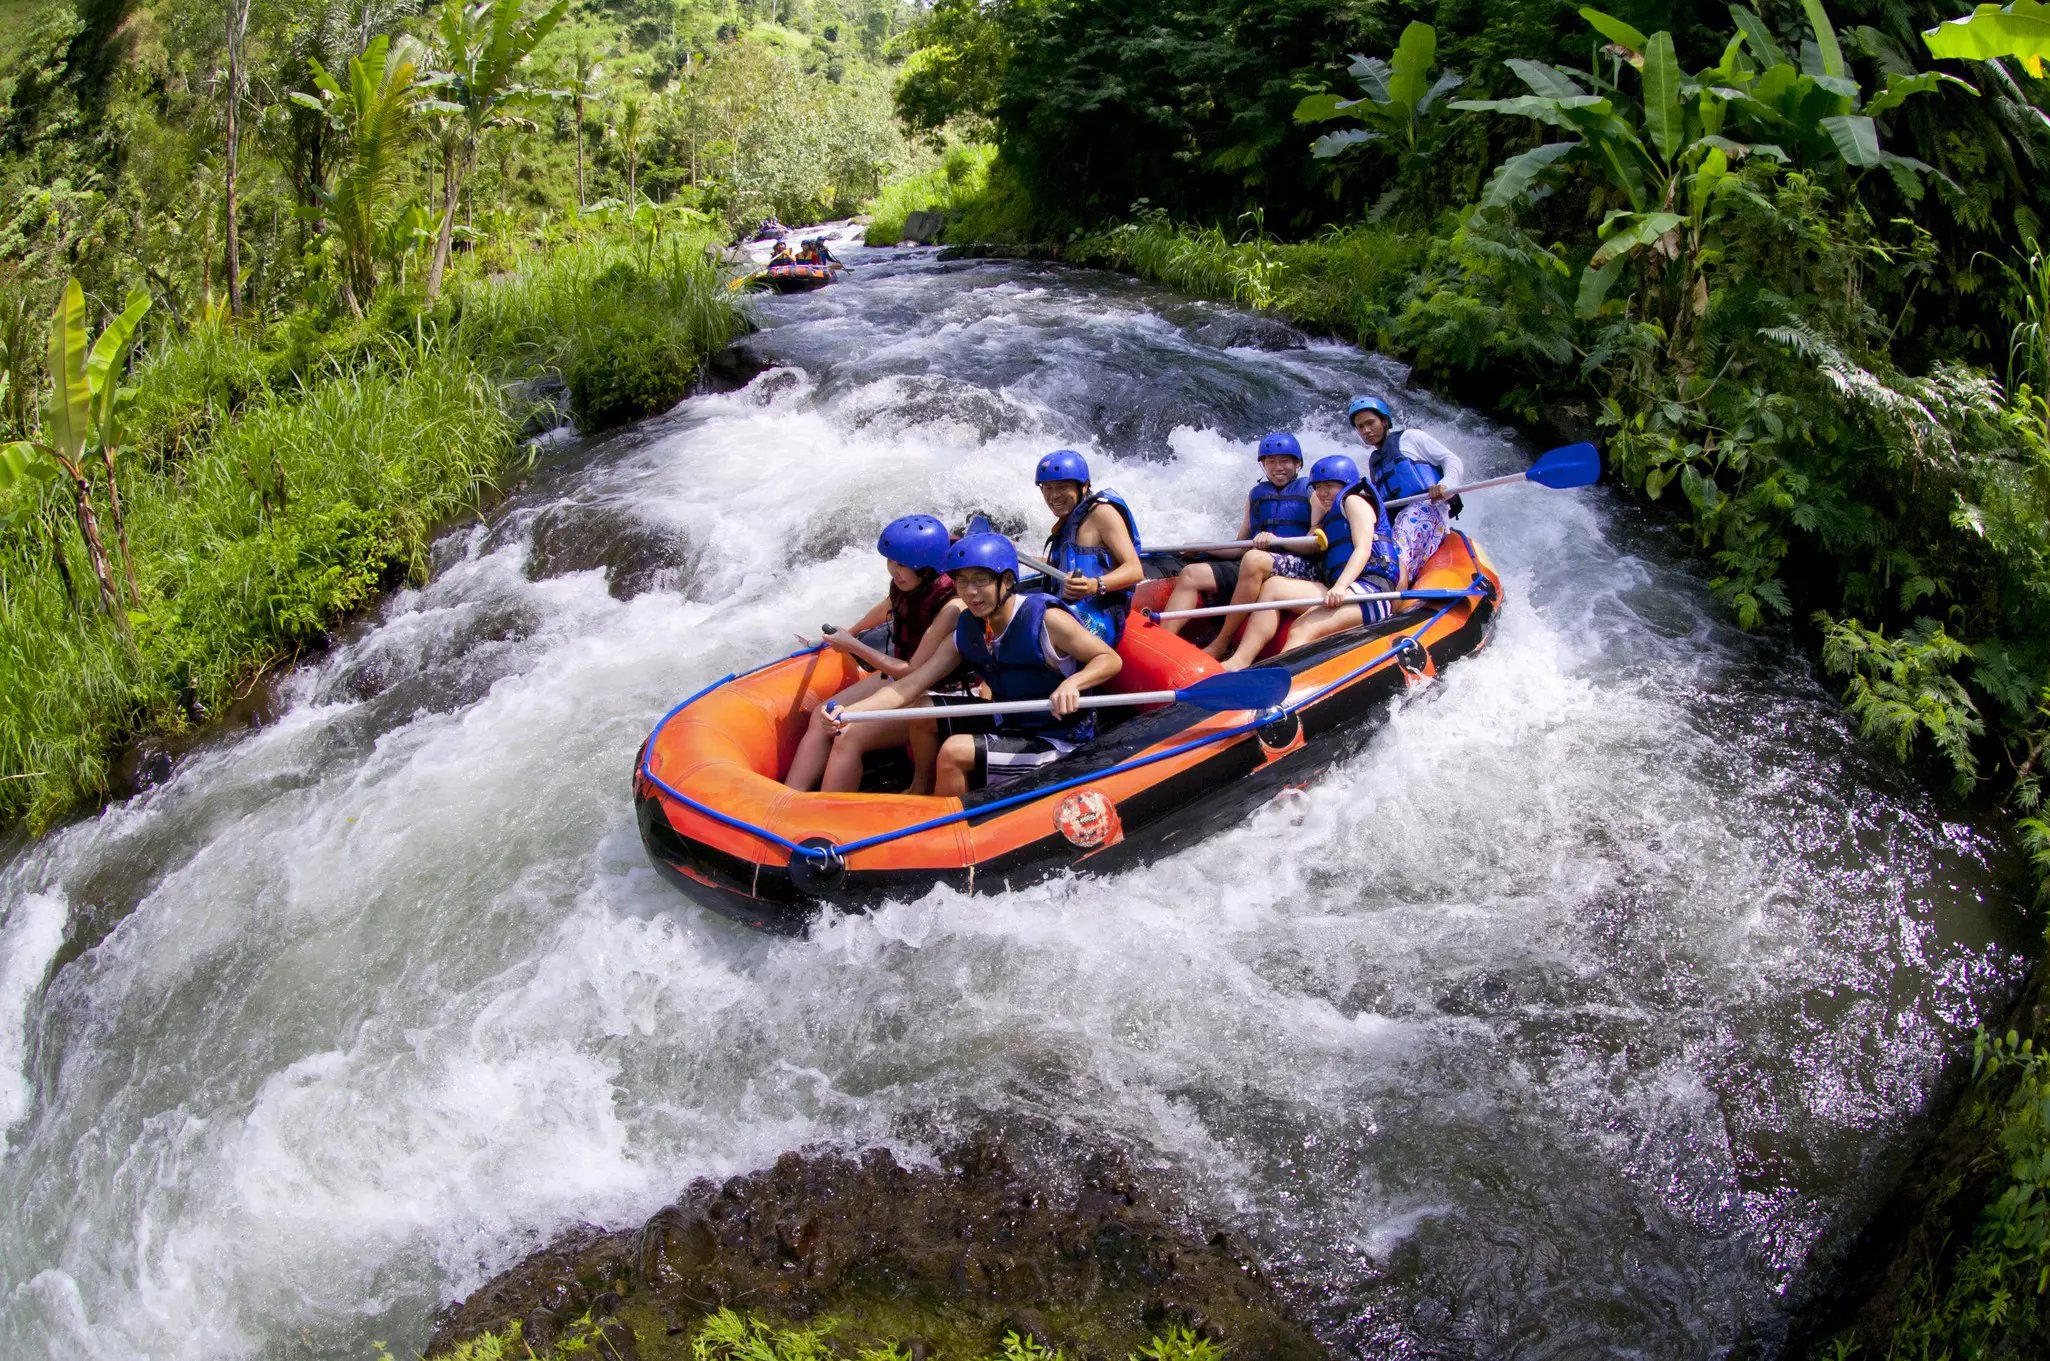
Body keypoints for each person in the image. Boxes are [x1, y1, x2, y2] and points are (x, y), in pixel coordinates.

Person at [821, 533, 1122, 796]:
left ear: (1006, 581)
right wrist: (850, 712)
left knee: (954, 752)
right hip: (1008, 720)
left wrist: (1073, 683)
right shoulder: (968, 628)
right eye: (962, 582)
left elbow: (1109, 659)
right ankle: (921, 789)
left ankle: (944, 824)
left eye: (980, 581)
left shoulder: (1046, 620)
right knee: (923, 708)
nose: (970, 592)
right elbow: (909, 685)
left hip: (1057, 737)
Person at [785, 516, 966, 794]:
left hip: (933, 694)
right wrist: (854, 630)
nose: (895, 571)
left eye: (902, 565)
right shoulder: (908, 584)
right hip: (898, 680)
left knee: (847, 734)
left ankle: (825, 814)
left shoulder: (951, 608)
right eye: (891, 562)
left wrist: (854, 646)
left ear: (928, 568)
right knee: (822, 714)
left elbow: (911, 672)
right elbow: (890, 605)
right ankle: (789, 797)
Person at [1218, 454, 1405, 671]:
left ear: (1347, 485)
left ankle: (1284, 683)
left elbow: (1363, 549)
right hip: (1341, 588)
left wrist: (1341, 587)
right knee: (1273, 587)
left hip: (1370, 591)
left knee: (1301, 628)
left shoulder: (1354, 501)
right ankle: (1239, 661)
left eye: (1330, 486)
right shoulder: (1328, 513)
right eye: (1318, 487)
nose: (1323, 493)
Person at [1158, 432, 1321, 659]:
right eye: (1271, 462)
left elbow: (1316, 543)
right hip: (1254, 563)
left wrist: (1276, 540)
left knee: (1255, 559)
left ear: (1298, 463)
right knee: (1192, 574)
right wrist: (1206, 547)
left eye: (1284, 461)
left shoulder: (1311, 492)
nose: (1278, 467)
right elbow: (1241, 546)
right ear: (1263, 465)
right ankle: (1162, 646)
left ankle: (1221, 643)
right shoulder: (1256, 495)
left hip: (1301, 566)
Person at [1035, 449, 1144, 645]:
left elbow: (1135, 570)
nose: (1054, 496)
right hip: (1069, 610)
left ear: (1084, 486)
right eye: (1047, 488)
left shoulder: (1102, 514)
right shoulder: (1069, 520)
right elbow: (1071, 563)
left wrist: (1093, 585)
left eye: (1062, 487)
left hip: (1100, 618)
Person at [1347, 395, 1463, 579]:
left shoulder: (1410, 438)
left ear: (1384, 421)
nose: (1366, 430)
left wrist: (1445, 485)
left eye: (1371, 423)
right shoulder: (1375, 462)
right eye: (1361, 427)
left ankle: (1392, 587)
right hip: (1398, 520)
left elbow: (1452, 460)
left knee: (1394, 556)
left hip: (1427, 508)